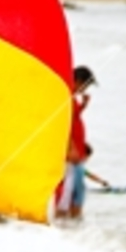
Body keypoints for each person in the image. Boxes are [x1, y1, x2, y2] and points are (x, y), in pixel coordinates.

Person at [54, 65, 96, 220]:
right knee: (67, 192)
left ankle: (74, 231)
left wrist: (83, 105)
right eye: (86, 85)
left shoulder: (72, 98)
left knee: (78, 191)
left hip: (77, 151)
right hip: (70, 154)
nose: (85, 89)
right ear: (78, 81)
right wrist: (70, 148)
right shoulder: (65, 96)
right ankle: (62, 226)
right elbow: (64, 124)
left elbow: (74, 117)